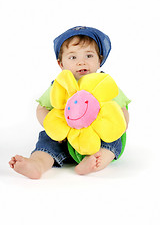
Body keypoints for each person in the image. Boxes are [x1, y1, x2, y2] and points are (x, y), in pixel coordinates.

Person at [9, 26, 130, 179]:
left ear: (100, 60)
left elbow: (122, 108)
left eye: (89, 56)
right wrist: (55, 129)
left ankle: (96, 160)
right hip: (67, 138)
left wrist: (121, 126)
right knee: (47, 138)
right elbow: (41, 108)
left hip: (97, 137)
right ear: (61, 64)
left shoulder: (104, 84)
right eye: (73, 57)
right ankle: (38, 163)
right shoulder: (60, 86)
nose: (81, 62)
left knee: (115, 138)